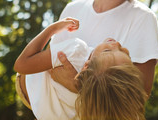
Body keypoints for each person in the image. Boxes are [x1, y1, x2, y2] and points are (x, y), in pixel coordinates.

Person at [14, 17, 147, 120]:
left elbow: (21, 65)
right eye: (125, 52)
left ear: (86, 66)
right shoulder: (97, 103)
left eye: (107, 51)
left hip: (27, 82)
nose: (117, 44)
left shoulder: (76, 51)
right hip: (38, 105)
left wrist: (52, 29)